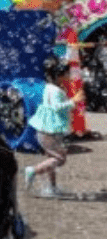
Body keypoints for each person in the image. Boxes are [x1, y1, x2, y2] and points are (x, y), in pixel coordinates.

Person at [25, 55, 84, 197]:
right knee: (59, 159)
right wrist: (73, 102)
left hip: (45, 130)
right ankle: (33, 170)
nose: (69, 78)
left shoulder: (49, 88)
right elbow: (57, 107)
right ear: (59, 76)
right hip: (50, 132)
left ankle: (51, 188)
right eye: (66, 75)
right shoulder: (57, 91)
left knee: (52, 159)